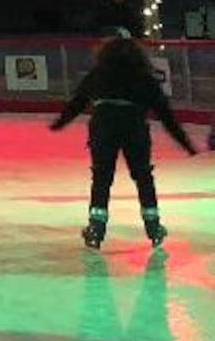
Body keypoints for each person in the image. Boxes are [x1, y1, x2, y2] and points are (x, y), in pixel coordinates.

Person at [52, 32, 195, 249]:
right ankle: (153, 225)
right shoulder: (144, 77)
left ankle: (96, 228)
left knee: (101, 177)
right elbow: (165, 115)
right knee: (143, 176)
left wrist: (59, 124)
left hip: (103, 125)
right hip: (134, 126)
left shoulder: (98, 74)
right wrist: (184, 143)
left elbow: (78, 102)